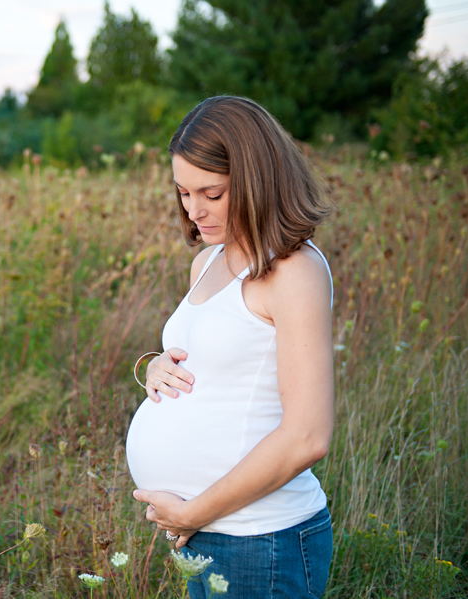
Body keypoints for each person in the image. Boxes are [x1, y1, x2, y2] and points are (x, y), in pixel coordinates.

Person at [125, 95, 335, 599]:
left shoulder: (294, 270)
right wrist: (153, 366)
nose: (193, 210)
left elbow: (309, 435)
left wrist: (194, 512)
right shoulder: (208, 261)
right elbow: (215, 363)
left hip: (261, 540)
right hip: (207, 535)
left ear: (256, 179)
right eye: (182, 192)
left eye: (211, 193)